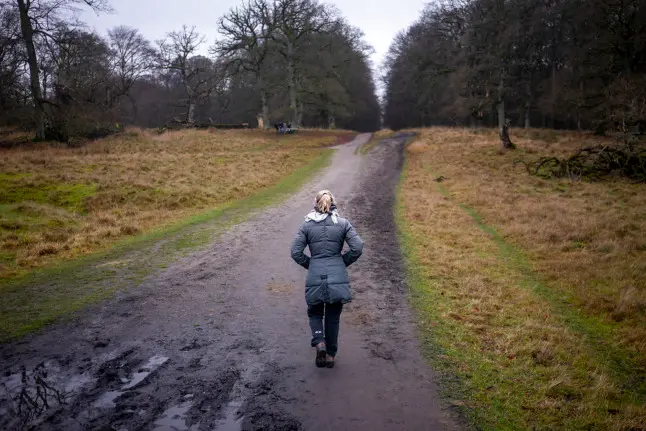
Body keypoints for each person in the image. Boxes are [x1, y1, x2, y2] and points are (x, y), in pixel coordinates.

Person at [291, 190, 363, 368]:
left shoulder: (306, 225)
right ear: (333, 203)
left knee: (315, 312)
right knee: (333, 317)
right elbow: (357, 247)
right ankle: (330, 356)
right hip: (337, 275)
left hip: (315, 275)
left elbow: (295, 252)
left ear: (316, 203)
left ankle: (319, 341)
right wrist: (341, 263)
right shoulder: (343, 223)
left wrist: (312, 265)